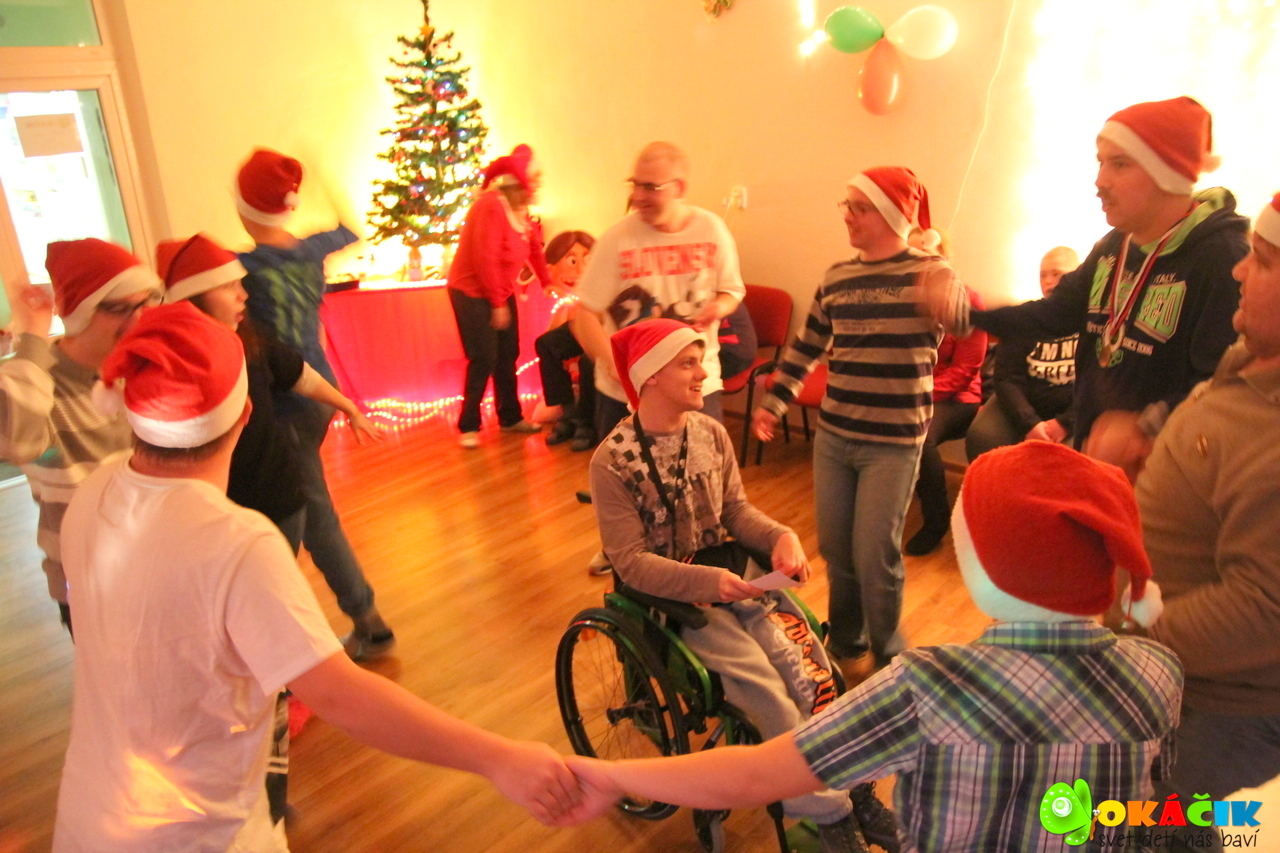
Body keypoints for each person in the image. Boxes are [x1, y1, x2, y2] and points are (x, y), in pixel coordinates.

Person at [53, 303, 581, 850]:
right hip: (200, 836)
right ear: (244, 414)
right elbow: (342, 697)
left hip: (89, 819)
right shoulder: (236, 543)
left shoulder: (93, 493)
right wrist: (501, 759)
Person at [565, 441, 1183, 853]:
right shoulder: (1159, 673)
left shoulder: (929, 686)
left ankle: (841, 802)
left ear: (985, 569)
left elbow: (754, 774)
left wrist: (611, 775)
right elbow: (1158, 811)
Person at [590, 319, 898, 853]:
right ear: (651, 375)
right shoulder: (612, 460)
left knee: (815, 673)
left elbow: (734, 510)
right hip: (674, 599)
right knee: (768, 693)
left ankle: (856, 789)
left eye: (700, 361)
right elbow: (631, 563)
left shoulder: (709, 433)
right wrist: (708, 581)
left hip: (736, 574)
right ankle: (827, 815)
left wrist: (780, 536)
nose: (703, 373)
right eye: (688, 363)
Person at [158, 232, 387, 823]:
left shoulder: (249, 340)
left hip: (275, 503)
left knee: (266, 611)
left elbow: (299, 374)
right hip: (224, 514)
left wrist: (348, 405)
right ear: (195, 298)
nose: (242, 294)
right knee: (250, 615)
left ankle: (280, 712)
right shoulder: (180, 358)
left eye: (241, 284)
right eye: (229, 287)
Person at [940, 97, 1248, 479]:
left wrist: (1146, 426)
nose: (1100, 182)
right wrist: (972, 316)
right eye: (1100, 162)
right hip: (1095, 451)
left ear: (1166, 174)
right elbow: (1053, 315)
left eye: (1119, 164)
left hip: (1162, 470)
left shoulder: (1222, 256)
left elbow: (1222, 382)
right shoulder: (1114, 245)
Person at [753, 167, 958, 671]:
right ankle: (847, 640)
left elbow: (965, 320)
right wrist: (775, 401)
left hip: (894, 444)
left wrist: (949, 290)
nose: (847, 216)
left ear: (890, 215)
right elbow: (806, 347)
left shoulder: (930, 274)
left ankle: (890, 655)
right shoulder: (837, 277)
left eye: (859, 207)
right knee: (836, 549)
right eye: (846, 205)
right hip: (835, 436)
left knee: (874, 555)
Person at [1134, 192, 1280, 852]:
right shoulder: (1250, 359)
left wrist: (1130, 640)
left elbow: (1264, 606)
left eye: (1265, 261)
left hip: (1220, 705)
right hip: (1183, 683)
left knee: (1143, 827)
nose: (1240, 270)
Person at [235, 147, 396, 660]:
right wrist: (322, 177)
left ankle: (368, 621)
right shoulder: (309, 250)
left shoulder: (243, 267)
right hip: (320, 392)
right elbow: (348, 230)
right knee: (306, 506)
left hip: (286, 399)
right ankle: (356, 619)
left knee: (310, 514)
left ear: (245, 209)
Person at [0, 238, 160, 632]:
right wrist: (32, 335)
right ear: (79, 313)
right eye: (119, 308)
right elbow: (14, 441)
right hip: (90, 584)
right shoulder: (37, 381)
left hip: (155, 565)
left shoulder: (139, 366)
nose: (139, 320)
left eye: (146, 303)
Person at [571, 141, 745, 439]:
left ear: (680, 188)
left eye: (651, 187)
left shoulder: (712, 229)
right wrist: (615, 365)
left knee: (701, 469)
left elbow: (731, 291)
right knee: (624, 472)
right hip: (626, 397)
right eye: (635, 185)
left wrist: (720, 307)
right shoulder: (616, 240)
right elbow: (584, 316)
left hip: (696, 389)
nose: (638, 196)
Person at [447, 143, 551, 448]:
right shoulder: (491, 206)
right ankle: (468, 425)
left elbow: (532, 246)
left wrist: (546, 281)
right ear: (519, 184)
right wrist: (496, 304)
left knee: (508, 354)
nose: (537, 187)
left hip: (499, 289)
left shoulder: (521, 210)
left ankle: (510, 417)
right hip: (471, 291)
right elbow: (486, 259)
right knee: (484, 357)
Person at [965, 246, 1081, 460]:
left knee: (1070, 455)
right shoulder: (1025, 319)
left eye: (1056, 273)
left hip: (1072, 413)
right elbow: (1007, 379)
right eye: (1042, 275)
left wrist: (1065, 423)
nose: (1048, 281)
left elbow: (1095, 386)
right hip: (1025, 405)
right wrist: (1030, 424)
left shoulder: (1091, 321)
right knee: (982, 435)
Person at [904, 281, 986, 558]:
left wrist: (917, 394)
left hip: (956, 397)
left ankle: (936, 522)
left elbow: (964, 372)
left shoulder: (967, 303)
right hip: (911, 392)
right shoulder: (903, 298)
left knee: (920, 436)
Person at [534, 230, 598, 451]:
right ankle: (568, 414)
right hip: (583, 321)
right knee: (546, 344)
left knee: (588, 360)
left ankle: (587, 422)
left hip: (605, 326)